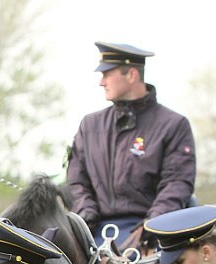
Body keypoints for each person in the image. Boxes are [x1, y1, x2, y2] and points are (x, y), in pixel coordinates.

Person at [66, 41, 196, 250]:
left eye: (107, 74)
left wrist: (154, 223)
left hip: (148, 233)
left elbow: (177, 183)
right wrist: (85, 212)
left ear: (132, 75)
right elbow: (76, 181)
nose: (101, 82)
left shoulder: (173, 125)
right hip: (93, 229)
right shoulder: (89, 125)